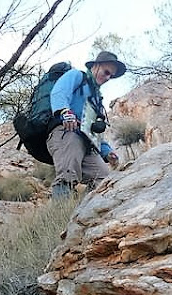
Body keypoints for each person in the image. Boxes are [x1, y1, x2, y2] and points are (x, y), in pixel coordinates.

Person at [47, 51, 126, 198]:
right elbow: (59, 92)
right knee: (67, 175)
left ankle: (82, 215)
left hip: (87, 143)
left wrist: (107, 152)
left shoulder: (97, 98)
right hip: (67, 133)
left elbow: (94, 131)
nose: (107, 77)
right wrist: (65, 111)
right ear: (96, 65)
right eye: (106, 72)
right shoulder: (77, 76)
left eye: (111, 76)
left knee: (102, 179)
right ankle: (57, 216)